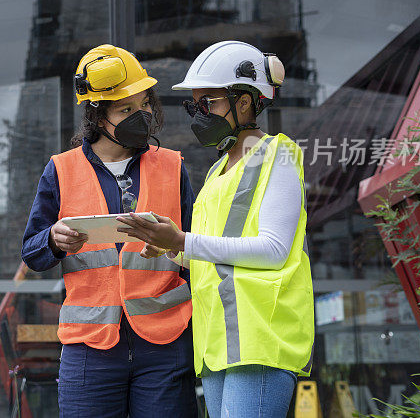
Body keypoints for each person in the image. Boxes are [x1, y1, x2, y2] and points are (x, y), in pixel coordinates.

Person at [117, 40, 314, 418]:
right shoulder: (216, 171)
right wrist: (173, 249)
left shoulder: (278, 156)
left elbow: (273, 250)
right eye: (195, 105)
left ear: (245, 102)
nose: (198, 114)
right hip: (219, 344)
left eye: (208, 103)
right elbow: (218, 257)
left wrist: (183, 240)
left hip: (262, 338)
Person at [21, 44, 198, 418]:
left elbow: (195, 251)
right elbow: (32, 252)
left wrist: (171, 248)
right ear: (99, 116)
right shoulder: (61, 170)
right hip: (91, 350)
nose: (142, 115)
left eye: (145, 104)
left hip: (165, 344)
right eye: (125, 109)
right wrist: (53, 239)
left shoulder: (172, 166)